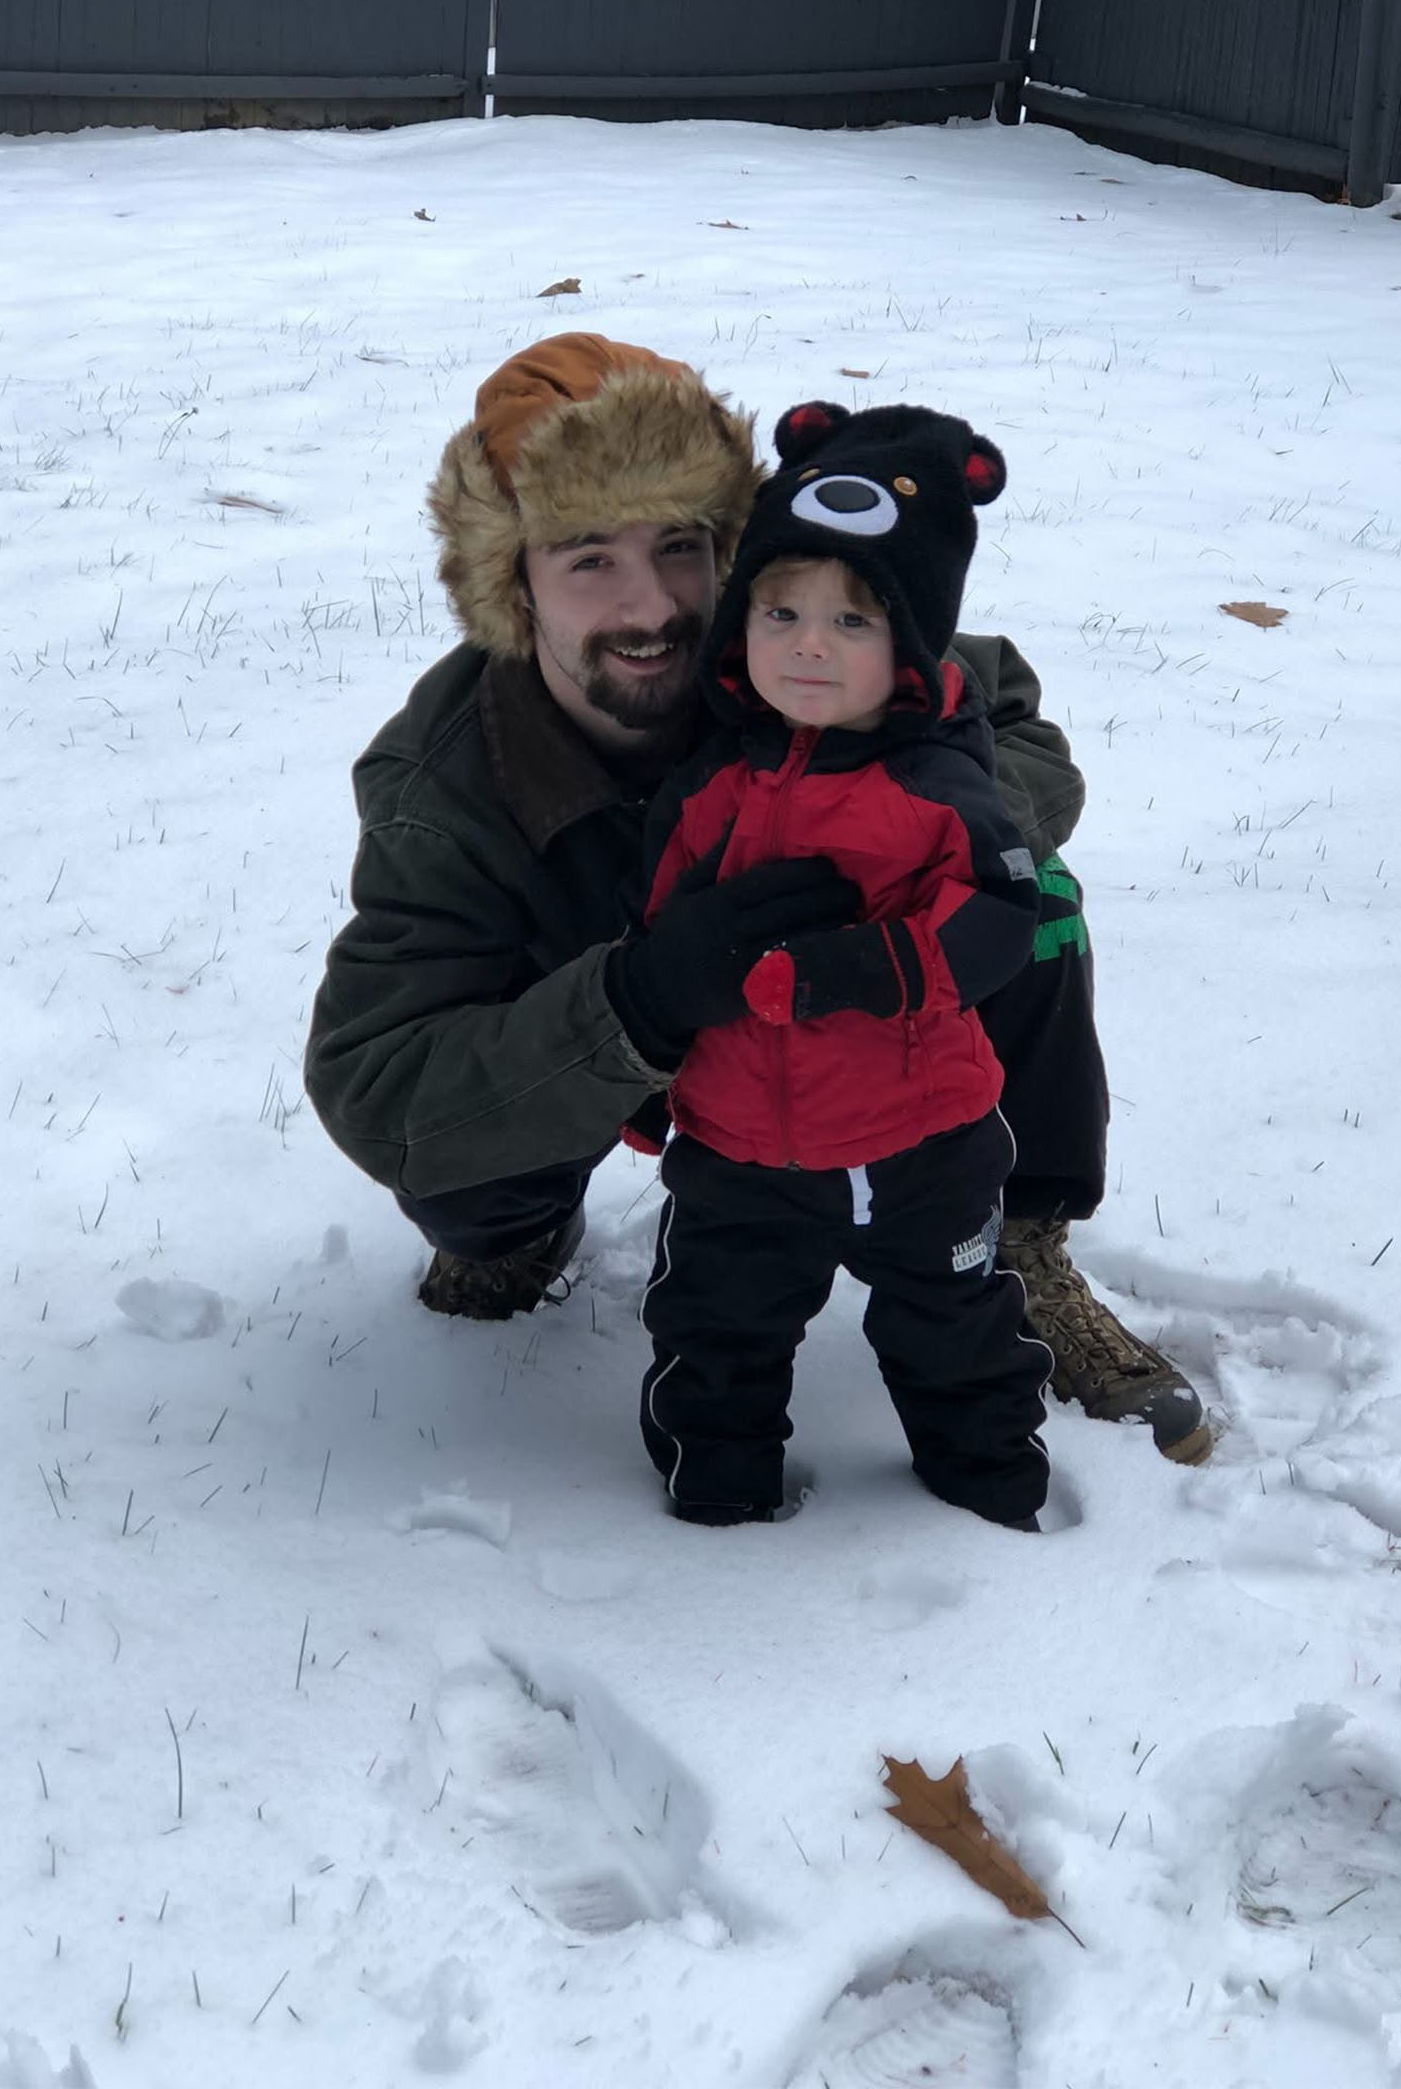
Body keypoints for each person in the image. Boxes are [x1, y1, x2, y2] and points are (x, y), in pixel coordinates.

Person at [303, 333, 1211, 1466]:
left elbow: (1013, 716)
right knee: (469, 1167)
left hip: (844, 1018)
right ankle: (518, 1236)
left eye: (681, 548)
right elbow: (375, 1080)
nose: (651, 607)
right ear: (510, 582)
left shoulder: (797, 648)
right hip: (607, 1044)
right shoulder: (449, 785)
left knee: (1040, 905)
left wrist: (904, 856)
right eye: (588, 558)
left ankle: (1013, 1235)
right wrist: (633, 995)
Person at [628, 400, 1054, 1526]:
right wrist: (644, 1075)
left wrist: (850, 972)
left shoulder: (936, 785)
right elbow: (661, 932)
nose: (808, 643)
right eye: (780, 610)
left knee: (952, 1321)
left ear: (911, 645)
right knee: (713, 1325)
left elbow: (1001, 914)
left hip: (919, 1142)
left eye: (853, 622)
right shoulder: (715, 779)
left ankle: (991, 1486)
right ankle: (714, 1503)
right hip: (734, 1146)